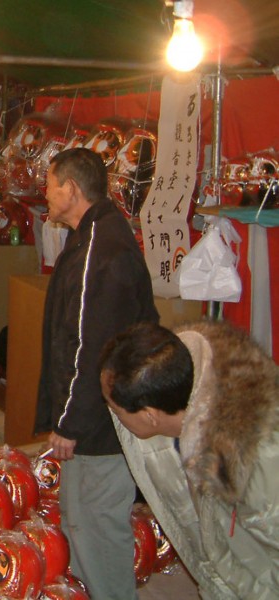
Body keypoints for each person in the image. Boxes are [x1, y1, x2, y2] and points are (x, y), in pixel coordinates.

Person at [33, 147, 158, 599]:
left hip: (102, 426)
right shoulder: (93, 235)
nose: (46, 194)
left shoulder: (99, 250)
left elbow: (91, 347)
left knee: (96, 527)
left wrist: (71, 422)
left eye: (51, 185)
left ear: (71, 189)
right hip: (99, 418)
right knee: (81, 521)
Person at [100, 320, 279, 600]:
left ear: (150, 415)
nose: (111, 413)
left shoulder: (256, 460)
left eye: (116, 409)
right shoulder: (174, 386)